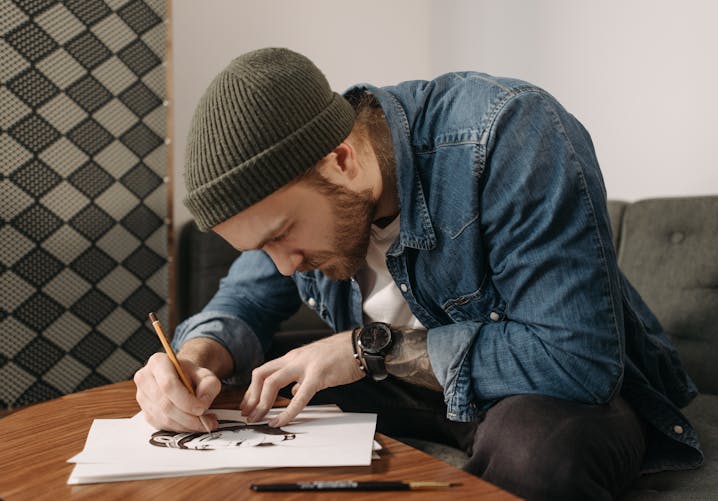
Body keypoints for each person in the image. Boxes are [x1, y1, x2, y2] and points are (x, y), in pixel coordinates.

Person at [134, 48, 702, 500]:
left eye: (282, 234)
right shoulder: (300, 186)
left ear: (342, 161)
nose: (281, 263)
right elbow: (242, 303)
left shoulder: (511, 133)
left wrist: (366, 349)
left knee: (541, 453)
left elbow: (575, 359)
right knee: (240, 391)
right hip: (402, 386)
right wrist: (194, 360)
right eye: (262, 247)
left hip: (540, 392)